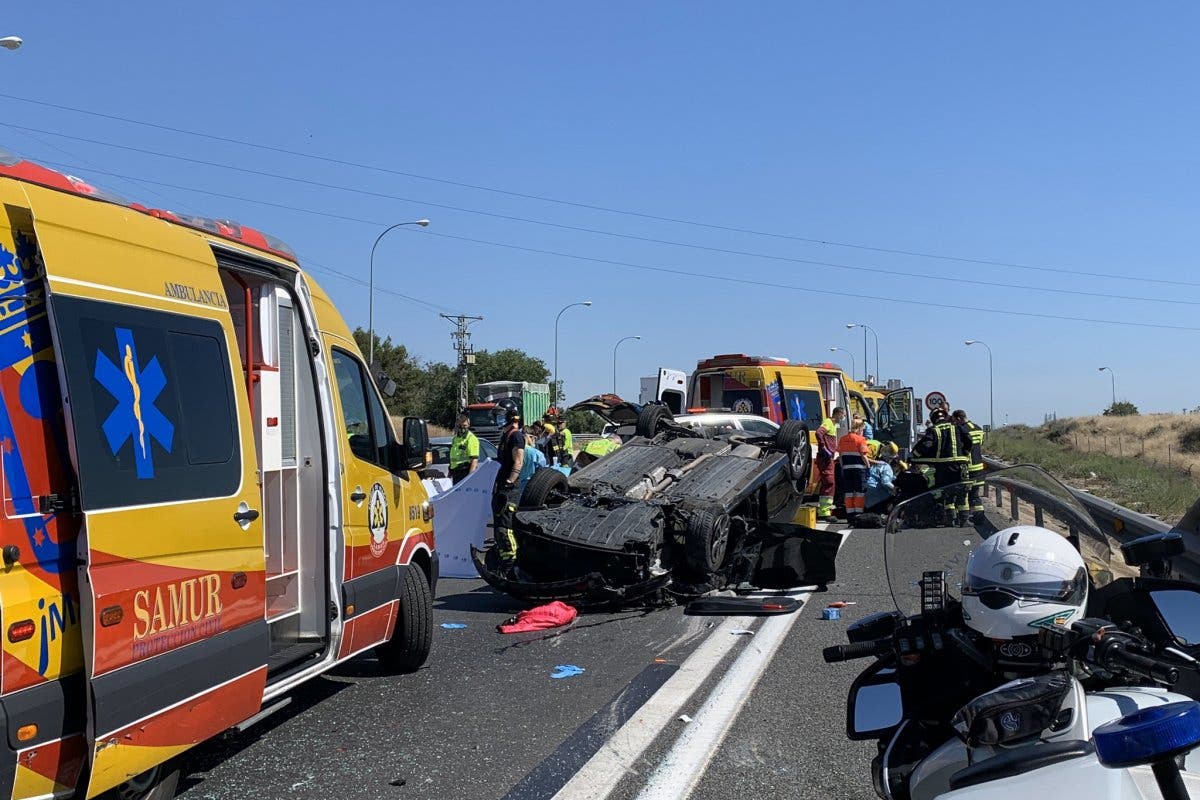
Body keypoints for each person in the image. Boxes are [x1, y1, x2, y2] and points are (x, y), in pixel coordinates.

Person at [909, 408, 972, 526]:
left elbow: (926, 445)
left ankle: (950, 519)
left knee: (946, 492)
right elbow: (969, 440)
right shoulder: (957, 426)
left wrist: (914, 456)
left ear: (933, 419)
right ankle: (964, 520)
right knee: (962, 492)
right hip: (960, 465)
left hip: (943, 467)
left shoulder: (934, 430)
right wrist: (965, 452)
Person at [491, 409, 525, 574]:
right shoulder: (505, 436)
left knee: (506, 528)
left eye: (501, 415)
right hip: (500, 488)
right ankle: (504, 563)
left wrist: (510, 482)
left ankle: (511, 564)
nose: (498, 419)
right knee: (498, 527)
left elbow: (518, 462)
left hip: (509, 490)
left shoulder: (516, 436)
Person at [952, 409, 986, 522]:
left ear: (958, 419)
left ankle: (963, 518)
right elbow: (980, 444)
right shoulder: (978, 428)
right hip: (979, 467)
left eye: (955, 421)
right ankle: (979, 516)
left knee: (964, 494)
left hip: (968, 467)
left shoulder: (961, 430)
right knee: (975, 494)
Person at [815, 406, 846, 520]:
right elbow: (819, 433)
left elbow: (830, 441)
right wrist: (823, 448)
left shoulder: (833, 425)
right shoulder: (828, 422)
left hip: (829, 458)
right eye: (843, 414)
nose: (843, 417)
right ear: (838, 413)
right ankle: (824, 512)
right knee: (829, 483)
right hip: (825, 458)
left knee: (829, 483)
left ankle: (825, 510)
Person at [838, 418, 872, 517]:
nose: (863, 432)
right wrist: (868, 467)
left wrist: (842, 468)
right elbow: (864, 456)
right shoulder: (861, 439)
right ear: (859, 428)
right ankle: (858, 514)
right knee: (859, 492)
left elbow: (840, 456)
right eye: (862, 430)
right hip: (859, 469)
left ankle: (850, 514)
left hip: (846, 469)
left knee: (848, 492)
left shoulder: (843, 439)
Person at [448, 414, 481, 485]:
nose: (462, 428)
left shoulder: (471, 438)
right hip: (455, 472)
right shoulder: (455, 438)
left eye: (465, 425)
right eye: (460, 425)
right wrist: (450, 471)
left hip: (465, 472)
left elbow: (474, 460)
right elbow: (453, 456)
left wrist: (469, 478)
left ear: (468, 425)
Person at [517, 433, 547, 498]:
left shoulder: (516, 452)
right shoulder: (536, 453)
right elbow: (543, 469)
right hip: (534, 484)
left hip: (521, 483)